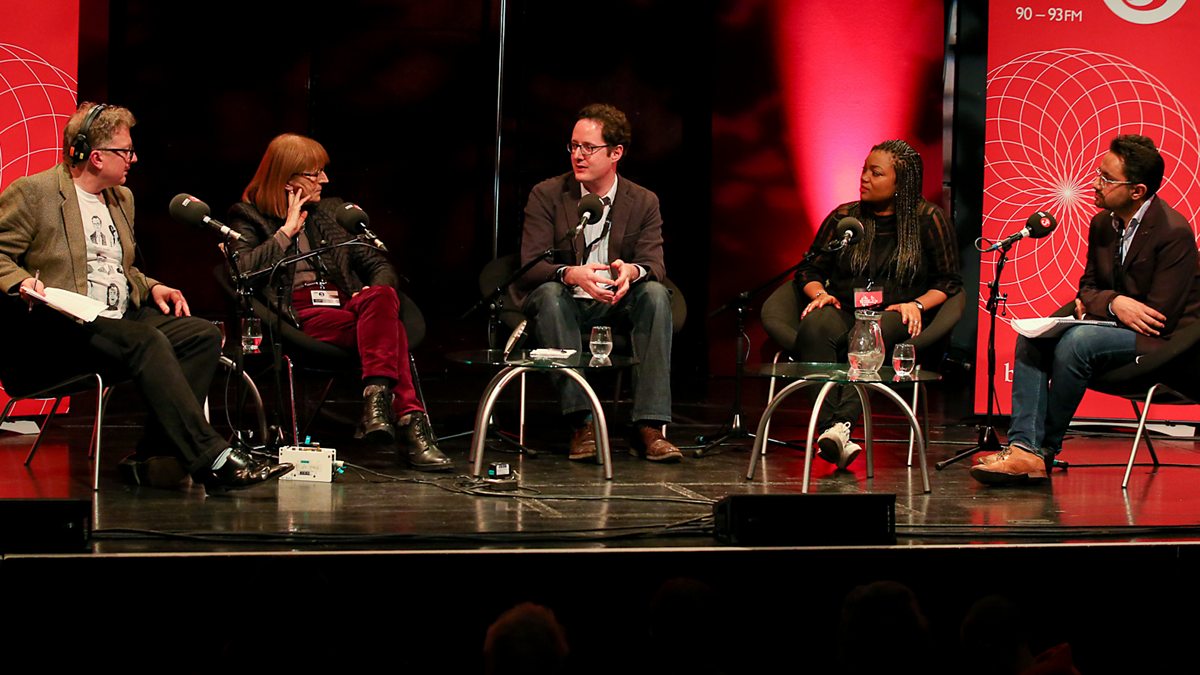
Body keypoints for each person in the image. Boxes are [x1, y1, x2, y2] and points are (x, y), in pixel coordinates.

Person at [0, 101, 292, 494]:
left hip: (119, 320)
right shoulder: (34, 193)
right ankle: (214, 459)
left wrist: (151, 286)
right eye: (126, 151)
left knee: (201, 335)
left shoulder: (121, 198)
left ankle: (156, 460)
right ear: (95, 155)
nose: (133, 159)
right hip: (63, 328)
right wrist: (21, 282)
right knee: (146, 340)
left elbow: (121, 269)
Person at [972, 134, 1200, 485]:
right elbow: (1088, 288)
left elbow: (1158, 317)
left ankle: (1042, 451)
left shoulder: (1173, 232)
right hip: (1115, 327)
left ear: (1137, 191)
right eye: (1098, 173)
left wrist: (1100, 309)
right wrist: (1112, 303)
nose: (1095, 184)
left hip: (1166, 344)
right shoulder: (1102, 223)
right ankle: (1023, 448)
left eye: (1107, 179)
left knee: (1077, 342)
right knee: (1033, 337)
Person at [227, 133, 451, 471]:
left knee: (382, 298)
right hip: (300, 315)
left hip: (348, 306)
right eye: (315, 173)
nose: (325, 180)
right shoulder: (248, 217)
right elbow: (242, 273)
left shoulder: (331, 212)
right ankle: (409, 421)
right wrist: (286, 232)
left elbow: (379, 265)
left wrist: (373, 294)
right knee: (391, 332)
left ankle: (377, 396)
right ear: (287, 180)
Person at [514, 103, 680, 462]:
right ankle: (582, 423)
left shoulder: (643, 201)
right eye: (574, 146)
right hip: (564, 301)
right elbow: (530, 265)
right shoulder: (547, 194)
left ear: (616, 152)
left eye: (589, 148)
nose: (578, 155)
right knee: (550, 294)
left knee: (654, 294)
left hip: (614, 302)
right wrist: (570, 273)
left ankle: (649, 426)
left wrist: (631, 272)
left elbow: (654, 264)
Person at [793, 139, 961, 469]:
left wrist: (917, 304)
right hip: (844, 309)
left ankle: (840, 426)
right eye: (864, 170)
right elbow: (809, 270)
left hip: (897, 315)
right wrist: (820, 294)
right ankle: (832, 431)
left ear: (901, 183)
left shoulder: (928, 220)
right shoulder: (845, 218)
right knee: (815, 325)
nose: (865, 178)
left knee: (873, 330)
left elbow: (948, 282)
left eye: (876, 172)